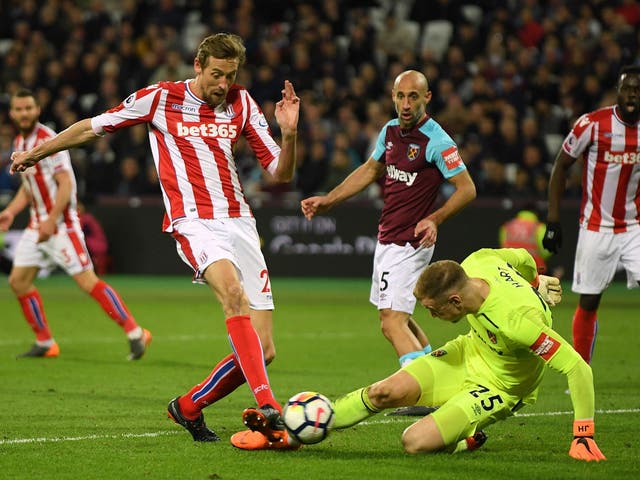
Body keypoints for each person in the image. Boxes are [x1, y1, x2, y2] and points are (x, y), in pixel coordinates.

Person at [11, 33, 301, 447]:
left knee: (265, 349)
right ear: (197, 67)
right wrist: (37, 152)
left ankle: (188, 406)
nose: (222, 84)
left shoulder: (242, 103)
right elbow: (92, 128)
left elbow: (281, 173)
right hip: (193, 222)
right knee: (233, 296)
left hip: (241, 223)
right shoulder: (160, 98)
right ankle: (268, 406)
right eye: (216, 74)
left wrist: (289, 135)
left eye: (230, 75)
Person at [322, 248, 605, 461]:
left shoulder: (517, 321)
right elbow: (523, 257)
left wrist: (584, 435)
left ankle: (465, 439)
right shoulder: (477, 261)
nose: (432, 316)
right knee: (384, 392)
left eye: (434, 309)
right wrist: (533, 282)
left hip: (501, 387)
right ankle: (317, 421)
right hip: (467, 352)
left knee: (414, 441)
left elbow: (576, 367)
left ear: (455, 300)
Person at [301, 70, 476, 370]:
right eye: (400, 96)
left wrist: (435, 219)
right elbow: (370, 171)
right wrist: (329, 200)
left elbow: (467, 189)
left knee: (391, 323)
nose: (406, 104)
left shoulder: (438, 141)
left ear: (427, 98)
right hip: (388, 239)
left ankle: (415, 390)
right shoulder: (390, 131)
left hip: (411, 243)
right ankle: (434, 378)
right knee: (401, 321)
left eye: (413, 97)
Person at [1, 89, 151, 360]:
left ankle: (135, 332)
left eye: (28, 108)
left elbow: (66, 183)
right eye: (18, 109)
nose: (23, 113)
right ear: (11, 113)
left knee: (87, 282)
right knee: (18, 281)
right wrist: (11, 211)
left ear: (37, 110)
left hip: (60, 225)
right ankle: (46, 343)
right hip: (38, 225)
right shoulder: (20, 141)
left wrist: (51, 219)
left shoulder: (48, 139)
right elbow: (29, 186)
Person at [542, 65, 640, 365]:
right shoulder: (592, 124)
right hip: (596, 227)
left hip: (635, 227)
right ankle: (581, 373)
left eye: (637, 89)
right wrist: (553, 221)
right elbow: (561, 166)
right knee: (588, 300)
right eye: (627, 88)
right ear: (618, 91)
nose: (632, 94)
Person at [499, 207, 552, 273]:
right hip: (533, 268)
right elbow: (547, 251)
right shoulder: (540, 227)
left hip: (509, 267)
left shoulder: (507, 226)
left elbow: (503, 245)